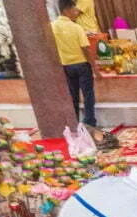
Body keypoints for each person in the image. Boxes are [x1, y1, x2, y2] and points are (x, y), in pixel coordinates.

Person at [52, 0, 98, 128]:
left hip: (66, 66)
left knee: (73, 95)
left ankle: (74, 122)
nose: (76, 12)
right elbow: (86, 48)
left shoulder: (52, 26)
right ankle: (90, 123)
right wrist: (95, 68)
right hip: (82, 65)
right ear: (66, 10)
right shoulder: (76, 27)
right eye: (74, 9)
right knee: (88, 95)